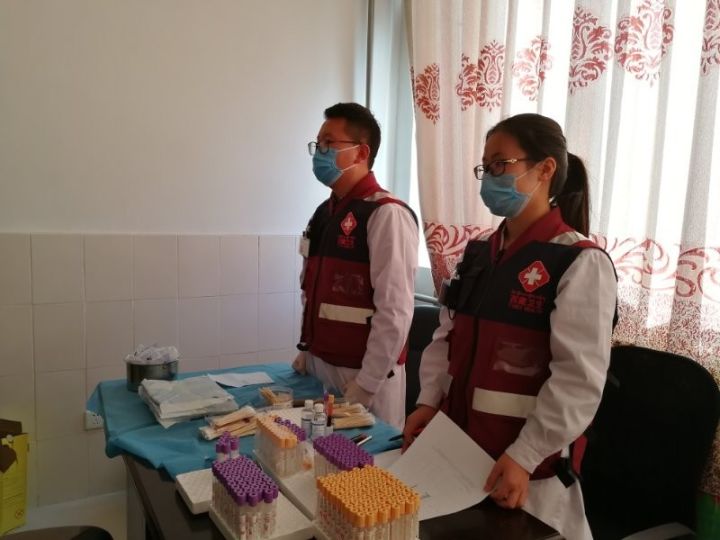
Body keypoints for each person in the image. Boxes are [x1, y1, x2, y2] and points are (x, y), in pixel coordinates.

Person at [402, 113, 617, 539]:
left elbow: (577, 381)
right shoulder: (479, 254)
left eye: (501, 164)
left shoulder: (578, 262)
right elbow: (446, 337)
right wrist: (427, 402)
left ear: (545, 169)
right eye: (485, 166)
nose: (489, 177)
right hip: (458, 454)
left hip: (525, 476)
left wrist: (525, 454)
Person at [292, 102, 419, 430]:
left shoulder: (386, 214)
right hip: (321, 364)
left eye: (329, 143)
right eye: (318, 144)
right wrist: (307, 352)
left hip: (363, 374)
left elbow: (394, 311)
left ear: (361, 152)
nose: (319, 152)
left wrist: (367, 383)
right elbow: (312, 291)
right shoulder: (324, 214)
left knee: (367, 460)